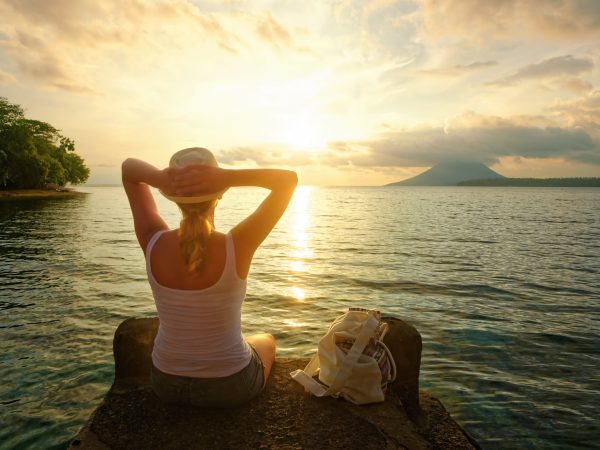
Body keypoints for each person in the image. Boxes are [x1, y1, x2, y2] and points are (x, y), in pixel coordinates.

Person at [122, 147, 297, 407]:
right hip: (231, 387)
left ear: (173, 198)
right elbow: (287, 180)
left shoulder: (152, 240)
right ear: (219, 196)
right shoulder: (238, 244)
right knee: (266, 340)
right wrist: (226, 177)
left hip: (166, 384)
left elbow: (129, 168)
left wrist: (161, 178)